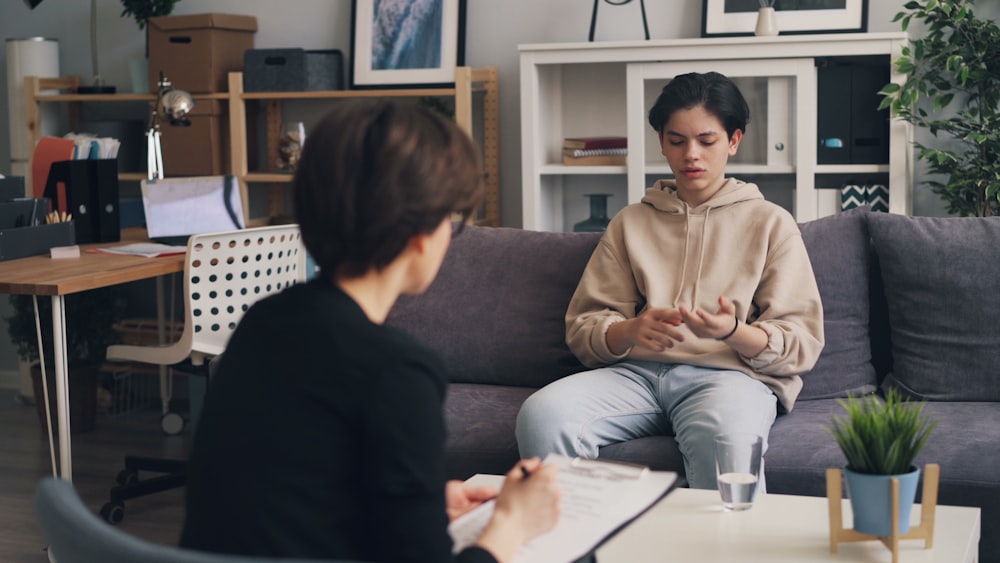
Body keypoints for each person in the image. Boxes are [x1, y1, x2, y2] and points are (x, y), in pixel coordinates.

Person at [180, 99, 561, 563]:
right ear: (419, 236)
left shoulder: (264, 320)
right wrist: (511, 525)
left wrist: (420, 507)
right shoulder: (397, 370)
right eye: (452, 222)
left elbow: (279, 498)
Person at [516, 71, 825, 491]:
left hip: (729, 378)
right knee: (543, 414)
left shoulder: (770, 223)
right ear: (661, 141)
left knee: (728, 443)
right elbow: (585, 324)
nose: (691, 155)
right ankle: (574, 546)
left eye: (707, 141)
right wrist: (628, 330)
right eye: (677, 141)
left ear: (733, 141)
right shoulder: (632, 222)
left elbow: (801, 342)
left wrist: (734, 332)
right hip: (635, 376)